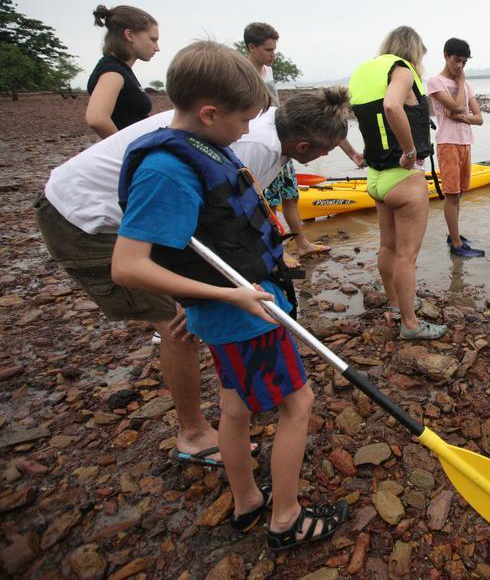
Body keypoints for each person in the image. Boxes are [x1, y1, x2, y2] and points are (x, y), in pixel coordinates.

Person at [37, 79, 358, 470]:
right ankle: (192, 433)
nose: (243, 125)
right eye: (325, 152)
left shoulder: (270, 126)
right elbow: (215, 229)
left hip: (137, 210)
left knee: (193, 315)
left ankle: (228, 408)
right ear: (304, 147)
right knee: (176, 321)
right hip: (84, 217)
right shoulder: (250, 145)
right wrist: (209, 296)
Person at [111, 40, 347, 549]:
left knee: (236, 406)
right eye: (243, 120)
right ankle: (286, 517)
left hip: (235, 309)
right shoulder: (166, 168)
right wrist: (226, 296)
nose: (247, 131)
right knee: (297, 404)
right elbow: (128, 266)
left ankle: (246, 501)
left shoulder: (199, 146)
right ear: (210, 111)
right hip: (243, 313)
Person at [348, 26, 447, 340]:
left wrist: (351, 152)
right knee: (407, 255)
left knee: (387, 246)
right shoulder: (401, 70)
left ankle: (394, 304)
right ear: (414, 50)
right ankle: (410, 323)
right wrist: (409, 151)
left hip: (376, 178)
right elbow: (392, 106)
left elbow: (351, 112)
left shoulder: (365, 72)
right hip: (403, 178)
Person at [243, 21, 328, 263]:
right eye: (268, 50)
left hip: (282, 138)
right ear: (251, 47)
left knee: (291, 195)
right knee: (264, 199)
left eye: (275, 49)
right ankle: (278, 251)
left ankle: (301, 243)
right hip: (261, 141)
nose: (273, 55)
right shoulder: (242, 73)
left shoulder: (267, 72)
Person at [427, 38, 485, 258]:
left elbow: (479, 119)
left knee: (459, 193)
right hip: (447, 142)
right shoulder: (436, 82)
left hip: (465, 142)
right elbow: (459, 105)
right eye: (456, 60)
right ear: (445, 56)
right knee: (451, 194)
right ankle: (456, 243)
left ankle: (455, 235)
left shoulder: (468, 85)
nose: (460, 66)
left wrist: (462, 119)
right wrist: (460, 83)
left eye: (464, 62)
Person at [85, 5, 160, 138]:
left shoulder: (121, 69)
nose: (157, 48)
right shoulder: (113, 72)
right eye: (153, 39)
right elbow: (96, 119)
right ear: (129, 35)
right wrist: (125, 149)